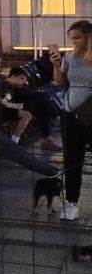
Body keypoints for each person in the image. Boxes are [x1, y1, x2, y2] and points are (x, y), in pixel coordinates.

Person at [51, 20, 92, 222]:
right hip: (70, 113)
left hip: (90, 115)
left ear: (88, 37)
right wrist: (57, 65)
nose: (73, 42)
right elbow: (60, 82)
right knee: (72, 159)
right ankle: (72, 203)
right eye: (71, 38)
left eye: (77, 38)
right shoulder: (70, 56)